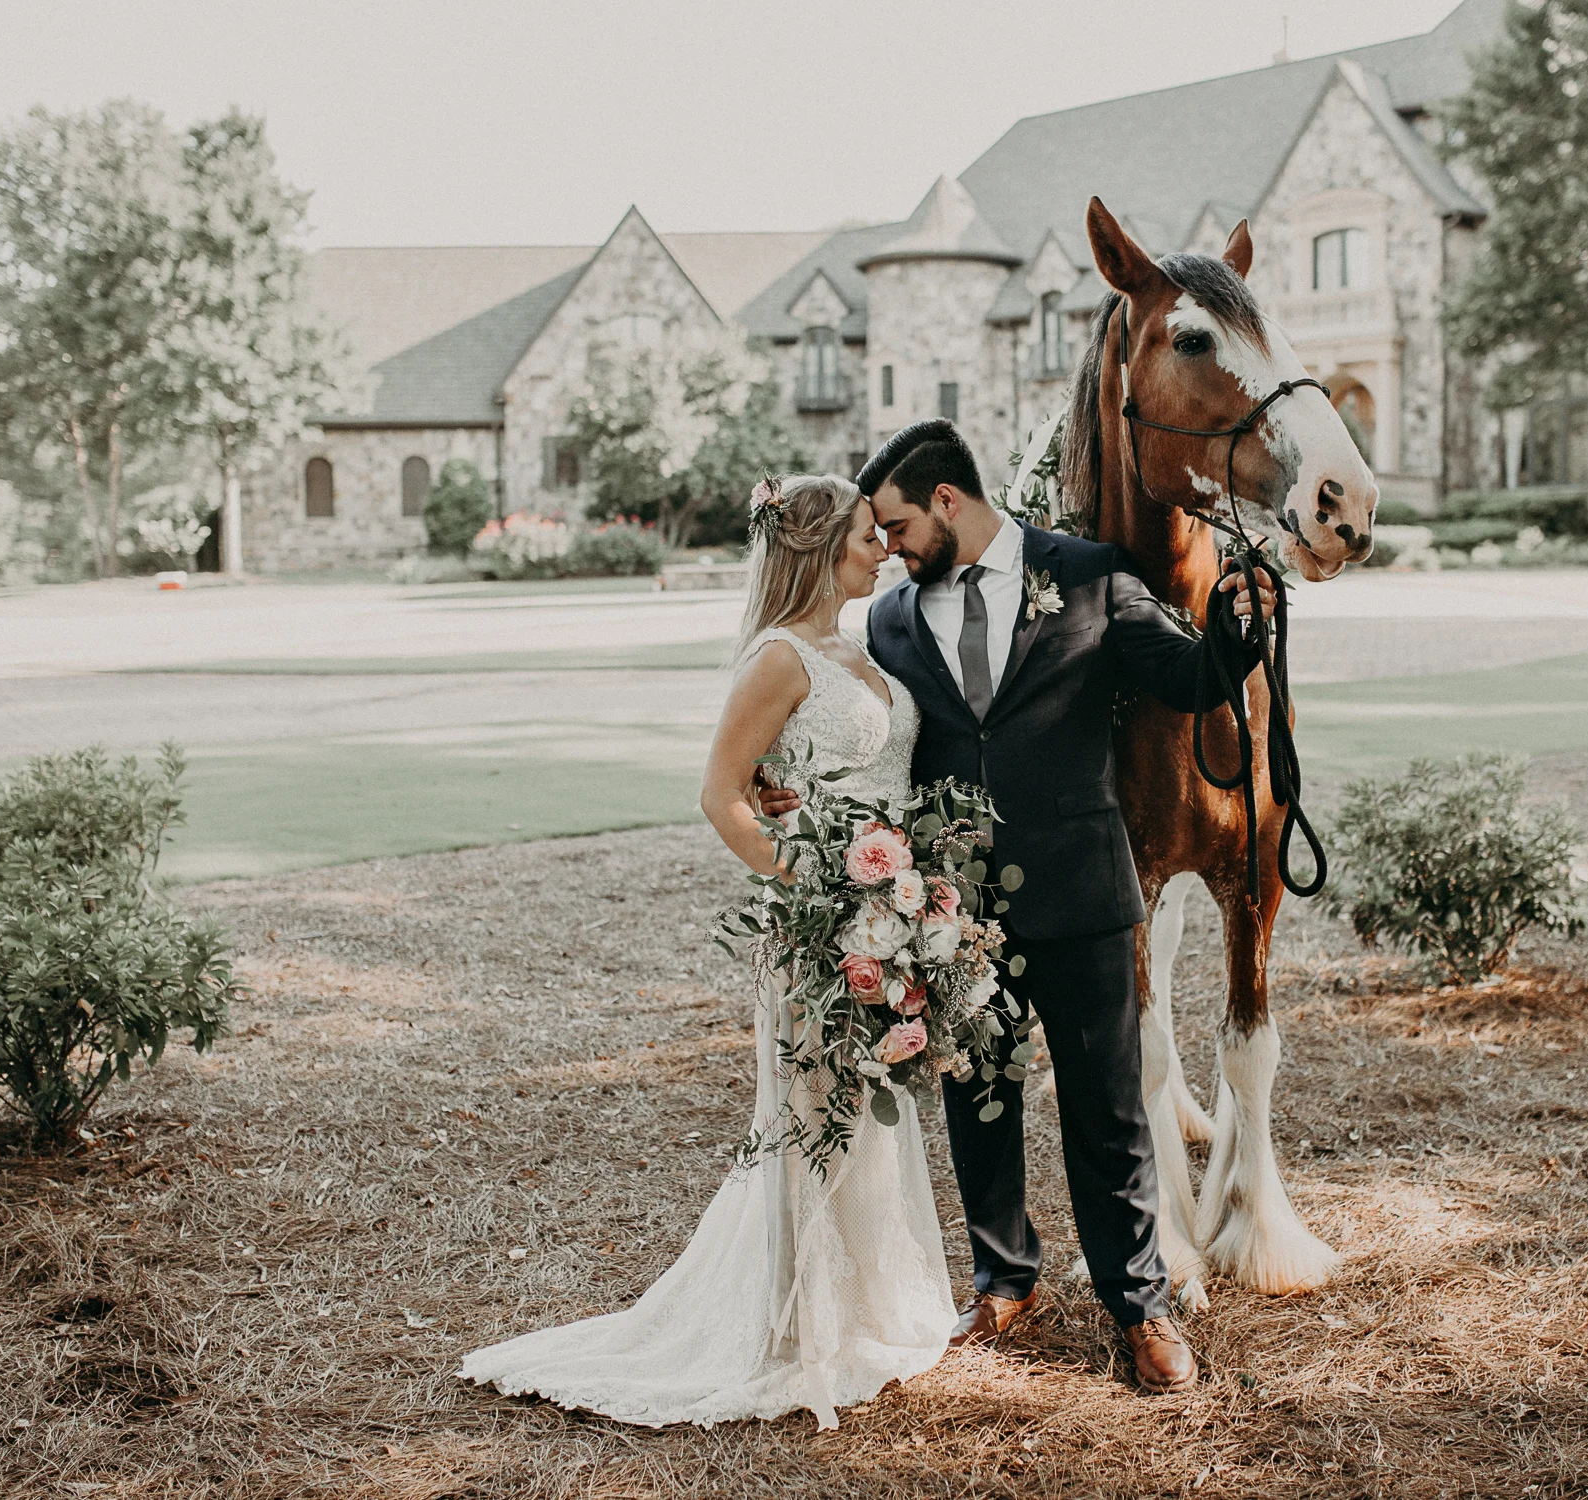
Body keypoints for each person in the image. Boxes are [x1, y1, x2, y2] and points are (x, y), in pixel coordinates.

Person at [760, 420, 1274, 1394]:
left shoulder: (1090, 573)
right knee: (977, 1102)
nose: (894, 548)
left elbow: (1189, 675)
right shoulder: (893, 621)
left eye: (901, 525)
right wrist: (785, 786)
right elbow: (873, 748)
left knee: (1107, 1109)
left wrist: (1241, 631)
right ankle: (1003, 1277)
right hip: (954, 913)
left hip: (1083, 894)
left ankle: (1138, 1305)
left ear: (948, 501)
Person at [461, 474, 954, 1431]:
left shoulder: (852, 650)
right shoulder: (778, 659)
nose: (883, 548)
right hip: (823, 920)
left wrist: (904, 899)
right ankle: (793, 1323)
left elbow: (839, 773)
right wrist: (815, 886)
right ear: (816, 547)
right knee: (816, 1109)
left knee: (869, 1104)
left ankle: (864, 1307)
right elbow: (723, 794)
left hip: (890, 910)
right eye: (865, 535)